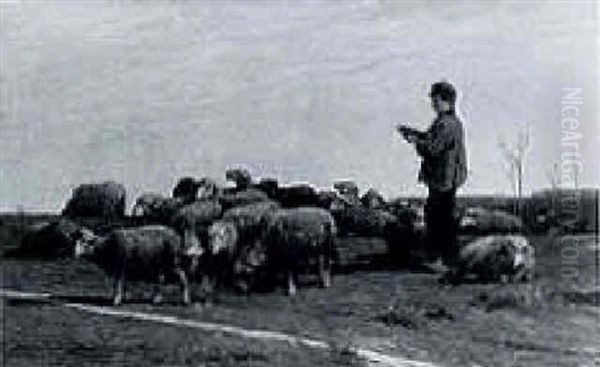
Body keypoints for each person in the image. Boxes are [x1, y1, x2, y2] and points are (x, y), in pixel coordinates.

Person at [397, 81, 468, 272]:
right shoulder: (448, 122)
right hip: (444, 178)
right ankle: (446, 259)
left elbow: (432, 148)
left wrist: (414, 141)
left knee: (439, 220)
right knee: (442, 218)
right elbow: (430, 139)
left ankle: (441, 259)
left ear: (445, 101)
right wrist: (414, 133)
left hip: (443, 179)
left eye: (435, 99)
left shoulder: (446, 124)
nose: (432, 104)